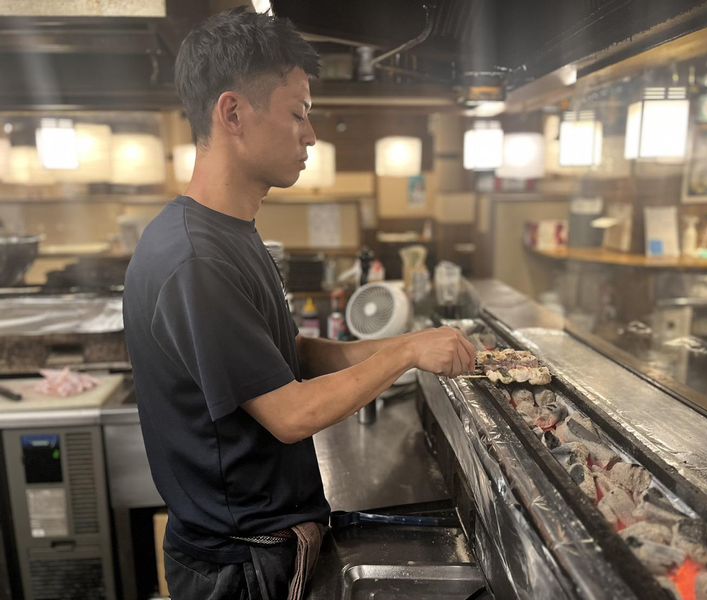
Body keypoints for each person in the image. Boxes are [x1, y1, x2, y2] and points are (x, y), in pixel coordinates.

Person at [122, 7, 476, 600]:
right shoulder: (194, 259)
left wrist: (408, 344)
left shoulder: (228, 233)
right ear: (233, 113)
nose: (311, 134)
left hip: (259, 549)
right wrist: (407, 354)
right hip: (240, 568)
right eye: (298, 113)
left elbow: (293, 354)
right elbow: (289, 414)